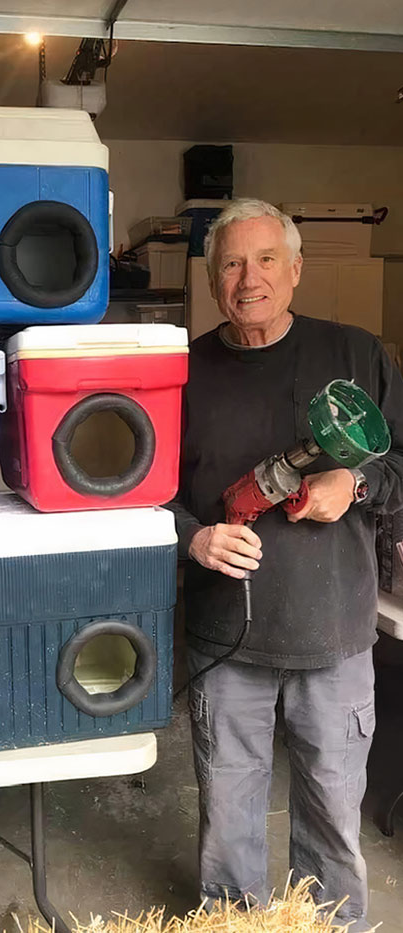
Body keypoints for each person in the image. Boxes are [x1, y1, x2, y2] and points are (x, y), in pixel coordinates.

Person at [170, 199, 403, 931]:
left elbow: (401, 463)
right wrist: (195, 538)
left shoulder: (357, 354)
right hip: (225, 639)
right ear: (213, 281)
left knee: (334, 818)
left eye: (266, 259)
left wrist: (354, 483)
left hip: (334, 635)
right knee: (229, 819)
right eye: (232, 263)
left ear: (296, 270)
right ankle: (233, 924)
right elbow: (144, 491)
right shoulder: (183, 372)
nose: (250, 278)